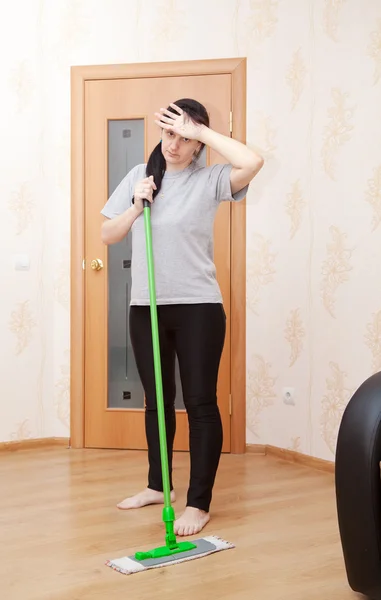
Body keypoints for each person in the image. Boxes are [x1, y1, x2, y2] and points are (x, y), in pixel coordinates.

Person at [100, 98, 264, 537]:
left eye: (184, 137)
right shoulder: (140, 176)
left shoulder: (210, 179)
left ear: (197, 144)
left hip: (198, 308)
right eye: (169, 133)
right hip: (145, 307)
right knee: (157, 402)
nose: (173, 144)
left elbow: (254, 161)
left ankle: (198, 502)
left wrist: (201, 131)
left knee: (200, 403)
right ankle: (159, 485)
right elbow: (107, 234)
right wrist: (137, 205)